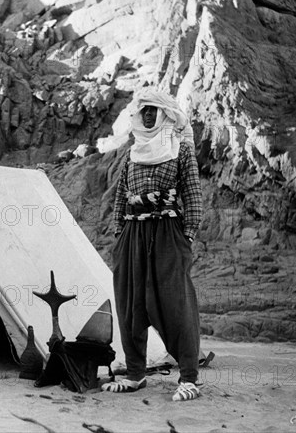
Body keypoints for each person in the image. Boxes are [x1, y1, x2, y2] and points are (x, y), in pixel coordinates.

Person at [101, 89, 203, 402]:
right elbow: (120, 196)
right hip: (132, 233)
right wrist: (120, 235)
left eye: (153, 111)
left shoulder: (181, 151)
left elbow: (193, 195)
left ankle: (188, 378)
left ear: (164, 115)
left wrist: (185, 237)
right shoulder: (133, 153)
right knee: (130, 303)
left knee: (176, 304)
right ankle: (135, 374)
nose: (148, 116)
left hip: (168, 232)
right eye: (144, 110)